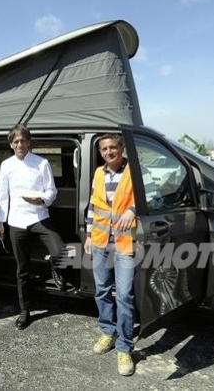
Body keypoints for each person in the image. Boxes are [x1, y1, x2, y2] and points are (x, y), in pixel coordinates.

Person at [0, 124, 68, 330]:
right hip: (16, 220)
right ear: (11, 144)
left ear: (29, 142)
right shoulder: (6, 165)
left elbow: (51, 191)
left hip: (39, 216)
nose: (20, 144)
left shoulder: (42, 162)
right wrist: (0, 222)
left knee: (60, 251)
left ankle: (55, 266)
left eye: (23, 140)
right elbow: (2, 195)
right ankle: (25, 310)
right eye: (16, 141)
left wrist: (42, 200)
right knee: (22, 269)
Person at [84, 133, 137, 376]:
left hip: (125, 243)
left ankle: (125, 347)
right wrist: (87, 235)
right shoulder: (98, 173)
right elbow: (93, 206)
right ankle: (108, 332)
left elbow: (151, 198)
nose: (108, 152)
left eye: (113, 147)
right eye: (104, 149)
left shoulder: (134, 170)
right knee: (102, 291)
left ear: (121, 148)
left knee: (124, 295)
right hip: (100, 241)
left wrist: (133, 210)